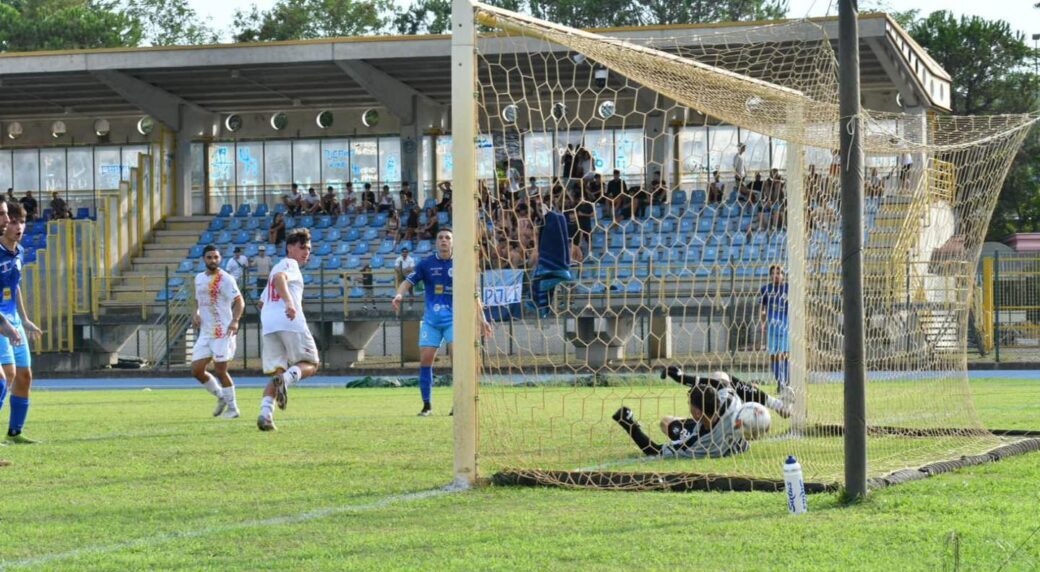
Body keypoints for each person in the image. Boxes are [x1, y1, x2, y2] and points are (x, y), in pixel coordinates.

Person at [391, 228, 492, 416]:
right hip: (431, 321)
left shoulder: (462, 264)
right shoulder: (426, 264)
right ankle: (427, 406)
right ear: (436, 242)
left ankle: (459, 404)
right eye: (441, 238)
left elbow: (474, 295)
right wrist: (399, 295)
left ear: (453, 242)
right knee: (425, 360)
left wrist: (483, 320)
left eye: (447, 238)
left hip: (455, 320)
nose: (444, 240)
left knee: (458, 361)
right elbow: (407, 282)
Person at [256, 229, 320, 431]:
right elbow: (280, 279)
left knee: (278, 372)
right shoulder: (288, 264)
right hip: (288, 320)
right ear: (290, 248)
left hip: (269, 324)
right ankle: (286, 380)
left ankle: (265, 414)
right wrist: (289, 303)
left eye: (308, 249)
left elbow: (260, 302)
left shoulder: (275, 268)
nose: (306, 252)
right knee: (311, 363)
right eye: (302, 248)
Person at [0, 202, 43, 444]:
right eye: (13, 221)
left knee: (24, 376)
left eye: (21, 221)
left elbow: (14, 286)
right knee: (6, 375)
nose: (18, 226)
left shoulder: (20, 252)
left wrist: (24, 319)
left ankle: (14, 433)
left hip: (13, 318)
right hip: (0, 321)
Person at [191, 245, 245, 419]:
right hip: (206, 332)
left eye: (215, 257)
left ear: (220, 258)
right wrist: (196, 313)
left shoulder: (226, 279)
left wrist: (235, 321)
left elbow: (239, 301)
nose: (213, 260)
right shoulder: (198, 278)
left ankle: (233, 409)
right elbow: (197, 300)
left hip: (223, 331)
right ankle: (221, 396)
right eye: (209, 257)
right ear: (203, 259)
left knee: (221, 370)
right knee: (197, 370)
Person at [760, 264, 789, 392]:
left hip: (786, 325)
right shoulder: (765, 289)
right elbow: (762, 308)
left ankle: (786, 382)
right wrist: (763, 323)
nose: (775, 275)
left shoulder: (789, 288)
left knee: (784, 354)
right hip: (772, 327)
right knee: (773, 355)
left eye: (778, 273)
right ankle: (780, 382)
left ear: (783, 275)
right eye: (773, 273)